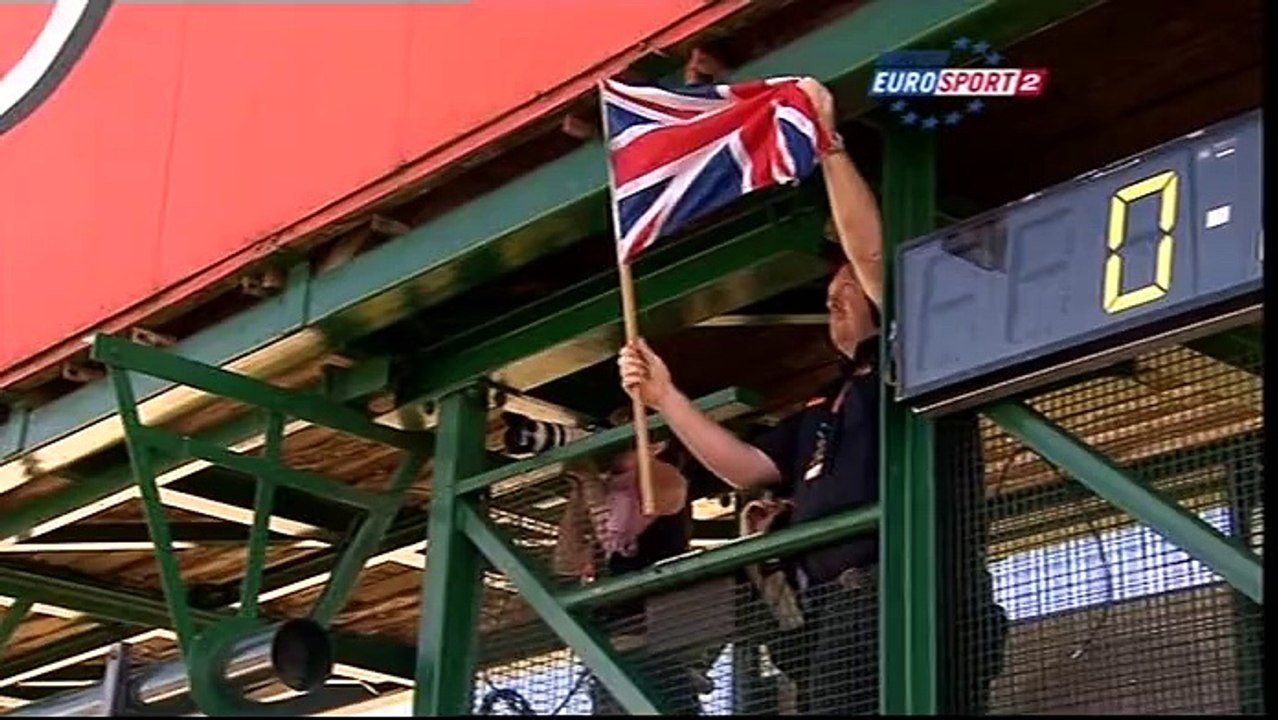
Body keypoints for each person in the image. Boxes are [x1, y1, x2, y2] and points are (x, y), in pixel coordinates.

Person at [618, 77, 1007, 714]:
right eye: (827, 303)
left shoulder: (910, 349)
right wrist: (664, 397)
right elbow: (744, 467)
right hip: (839, 607)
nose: (834, 308)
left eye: (842, 295)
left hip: (910, 586)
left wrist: (829, 147)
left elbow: (873, 254)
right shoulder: (823, 404)